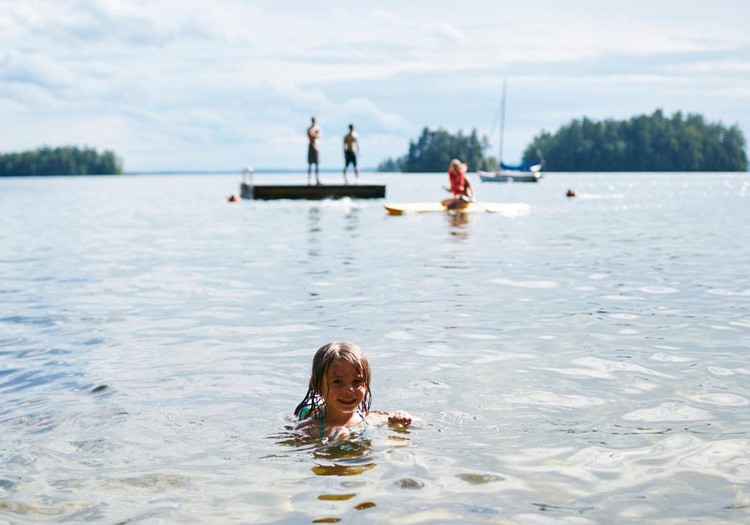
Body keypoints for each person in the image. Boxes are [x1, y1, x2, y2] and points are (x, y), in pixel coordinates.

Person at [294, 341, 412, 441]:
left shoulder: (373, 419)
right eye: (338, 382)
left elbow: (420, 424)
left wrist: (402, 418)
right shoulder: (308, 429)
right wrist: (330, 442)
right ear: (317, 386)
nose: (349, 390)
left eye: (357, 381)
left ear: (366, 384)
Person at [307, 117, 321, 185]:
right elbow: (311, 135)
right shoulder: (310, 129)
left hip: (316, 147)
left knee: (316, 164)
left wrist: (316, 133)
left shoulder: (317, 129)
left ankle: (317, 179)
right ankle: (309, 180)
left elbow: (318, 136)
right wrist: (316, 133)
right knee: (310, 164)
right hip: (311, 147)